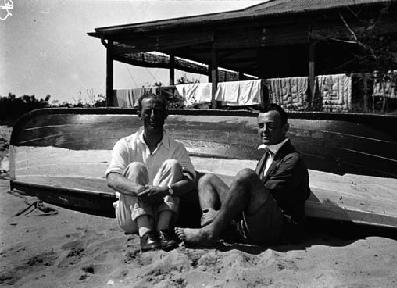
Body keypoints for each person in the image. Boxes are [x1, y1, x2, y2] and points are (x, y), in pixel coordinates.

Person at [175, 103, 310, 246]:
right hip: (254, 220)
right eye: (261, 126)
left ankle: (211, 231)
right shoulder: (267, 155)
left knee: (246, 175)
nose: (264, 131)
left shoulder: (292, 159)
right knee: (207, 180)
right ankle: (209, 226)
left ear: (285, 128)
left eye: (270, 126)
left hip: (277, 229)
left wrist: (219, 213)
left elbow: (265, 197)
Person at [106, 93, 196, 252]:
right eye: (148, 112)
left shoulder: (177, 148)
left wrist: (165, 190)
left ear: (165, 115)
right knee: (135, 168)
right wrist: (140, 190)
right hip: (131, 217)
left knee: (173, 165)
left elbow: (190, 181)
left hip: (165, 213)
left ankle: (163, 231)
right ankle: (145, 233)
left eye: (158, 111)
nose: (153, 116)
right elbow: (112, 178)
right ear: (139, 114)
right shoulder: (125, 144)